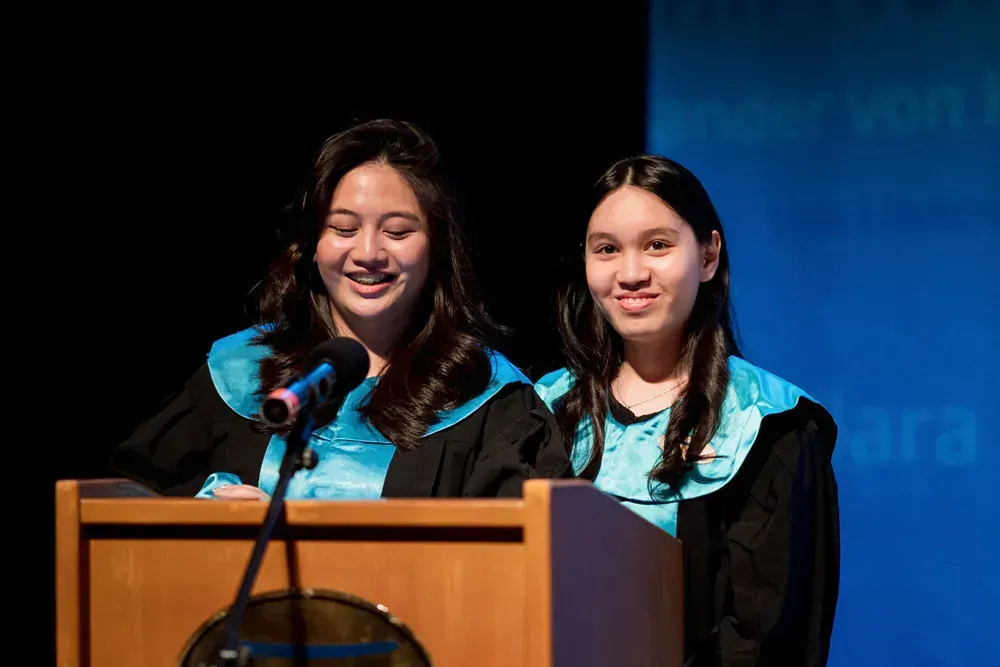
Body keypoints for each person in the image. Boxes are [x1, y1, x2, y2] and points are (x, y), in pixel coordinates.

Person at [108, 119, 571, 500]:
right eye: (343, 229)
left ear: (435, 251)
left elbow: (522, 565)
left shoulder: (489, 398)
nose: (368, 252)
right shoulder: (238, 373)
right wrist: (204, 516)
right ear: (312, 245)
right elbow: (124, 509)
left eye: (397, 231)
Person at [534, 155, 840, 665]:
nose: (631, 273)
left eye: (657, 245)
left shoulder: (768, 424)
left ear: (707, 255)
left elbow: (769, 638)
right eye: (607, 249)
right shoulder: (542, 413)